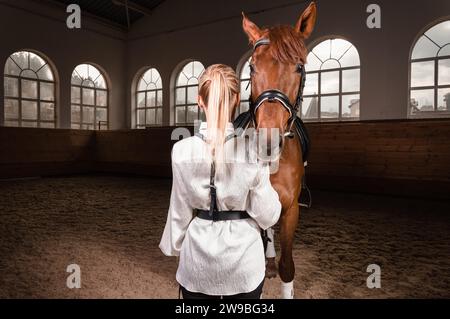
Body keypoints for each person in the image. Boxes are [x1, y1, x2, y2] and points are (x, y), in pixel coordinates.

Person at [159, 64, 281, 299]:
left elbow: (179, 211)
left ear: (199, 101)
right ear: (236, 100)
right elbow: (267, 215)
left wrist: (177, 249)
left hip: (197, 267)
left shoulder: (181, 150)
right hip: (244, 267)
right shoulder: (254, 149)